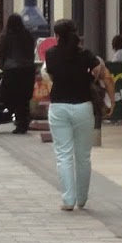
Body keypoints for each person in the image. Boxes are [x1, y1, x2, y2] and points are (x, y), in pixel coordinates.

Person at [43, 19, 105, 212]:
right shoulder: (84, 54)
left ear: (57, 36)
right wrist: (89, 76)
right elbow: (98, 69)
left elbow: (50, 74)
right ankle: (82, 198)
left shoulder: (51, 54)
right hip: (83, 106)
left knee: (63, 155)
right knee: (83, 156)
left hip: (59, 106)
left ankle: (68, 199)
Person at [0, 14, 37, 134]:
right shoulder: (28, 36)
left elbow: (2, 54)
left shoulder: (6, 37)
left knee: (9, 96)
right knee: (24, 98)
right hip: (28, 70)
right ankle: (23, 122)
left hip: (12, 71)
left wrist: (1, 66)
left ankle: (17, 119)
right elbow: (31, 52)